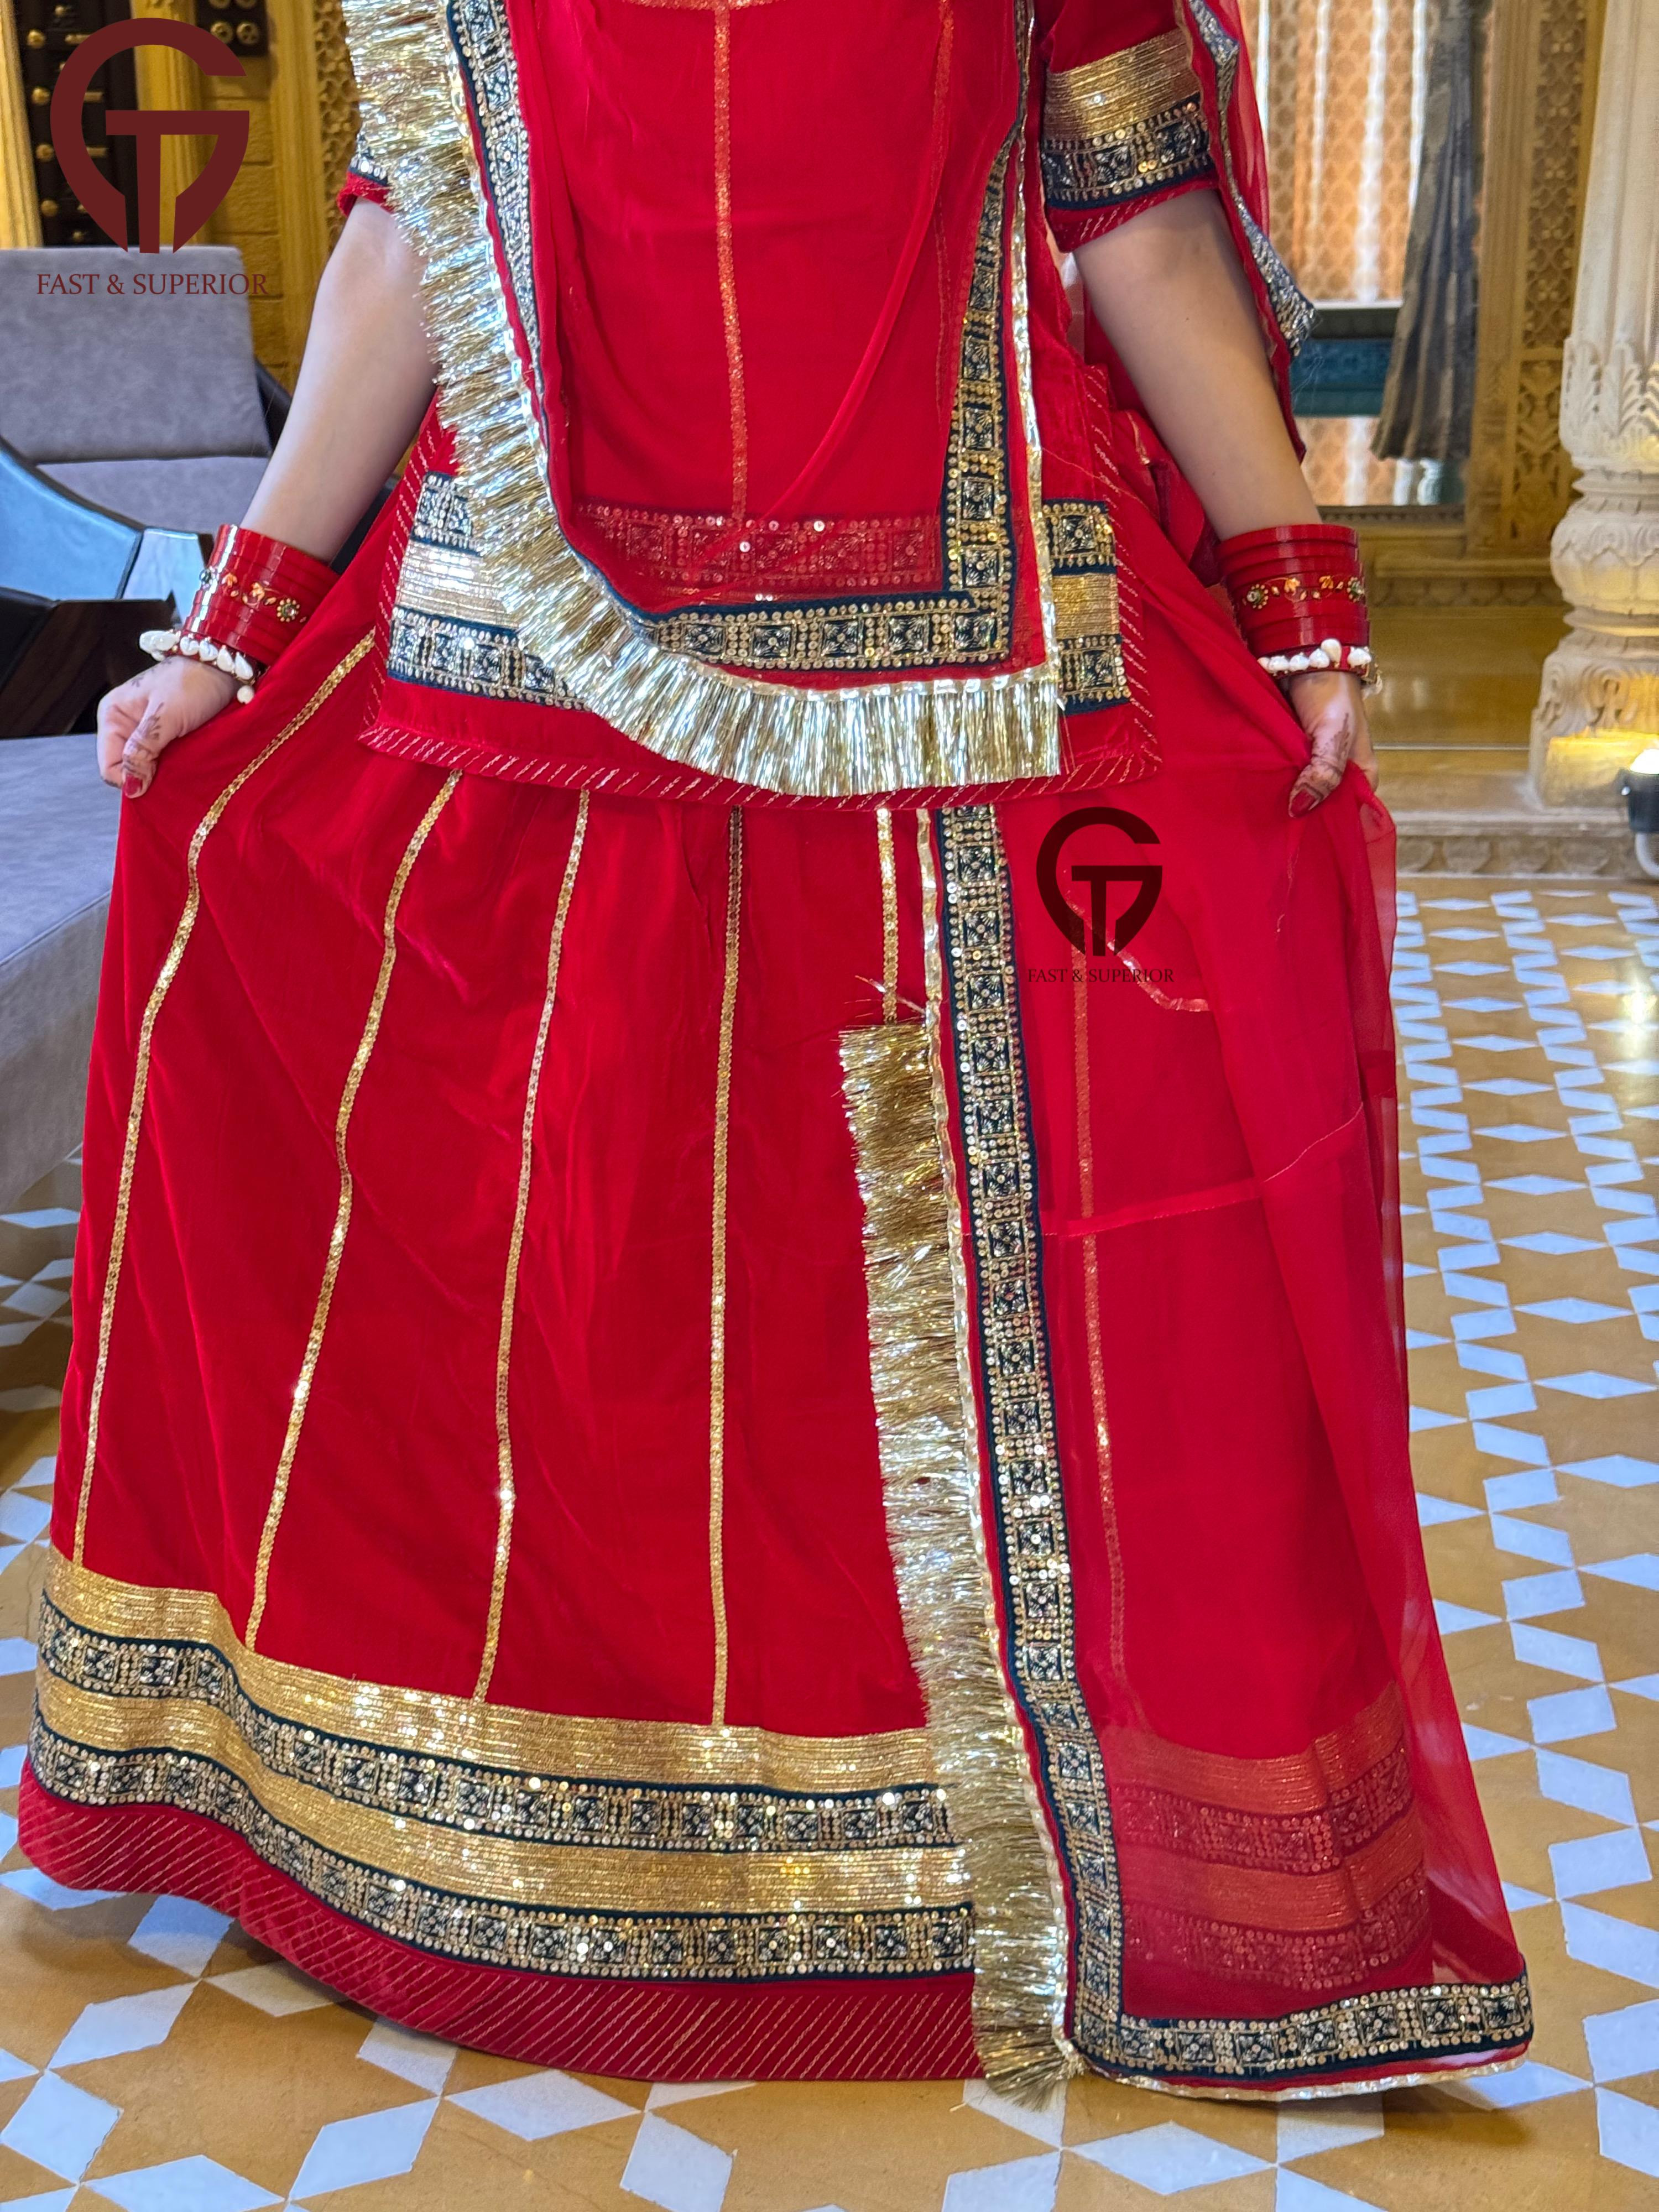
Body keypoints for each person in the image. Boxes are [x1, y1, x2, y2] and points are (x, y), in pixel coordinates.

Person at [21, 0, 1530, 2100]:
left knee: (986, 1239)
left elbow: (1141, 226)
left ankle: (1000, 1863)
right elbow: (410, 237)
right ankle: (497, 1843)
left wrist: (1292, 593)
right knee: (555, 1263)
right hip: (527, 682)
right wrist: (235, 631)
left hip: (980, 691)